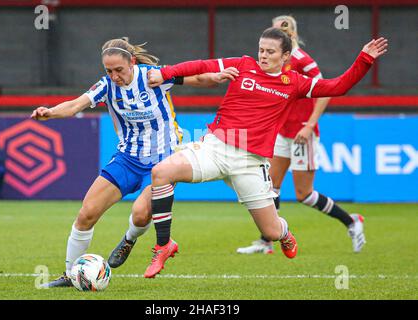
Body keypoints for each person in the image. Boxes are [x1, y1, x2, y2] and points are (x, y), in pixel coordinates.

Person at [144, 28, 387, 278]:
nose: (263, 55)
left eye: (270, 52)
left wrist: (364, 59)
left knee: (271, 232)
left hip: (251, 162)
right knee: (161, 172)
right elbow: (202, 65)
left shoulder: (294, 83)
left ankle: (284, 232)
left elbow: (338, 86)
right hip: (215, 147)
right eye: (261, 49)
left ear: (285, 57)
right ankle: (164, 245)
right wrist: (165, 73)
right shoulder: (243, 65)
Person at [32, 37, 233, 288]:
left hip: (163, 162)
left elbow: (193, 79)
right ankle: (71, 275)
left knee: (139, 215)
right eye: (109, 71)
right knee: (87, 214)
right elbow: (75, 105)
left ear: (132, 63)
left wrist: (215, 77)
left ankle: (129, 239)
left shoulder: (152, 76)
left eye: (119, 70)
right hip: (127, 159)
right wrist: (49, 112)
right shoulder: (106, 86)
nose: (114, 76)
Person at [237, 16, 366, 256]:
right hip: (282, 132)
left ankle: (352, 221)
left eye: (279, 31)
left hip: (301, 133)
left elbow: (326, 90)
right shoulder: (273, 60)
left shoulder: (301, 61)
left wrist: (309, 125)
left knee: (304, 194)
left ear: (289, 35)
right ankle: (267, 241)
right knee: (271, 187)